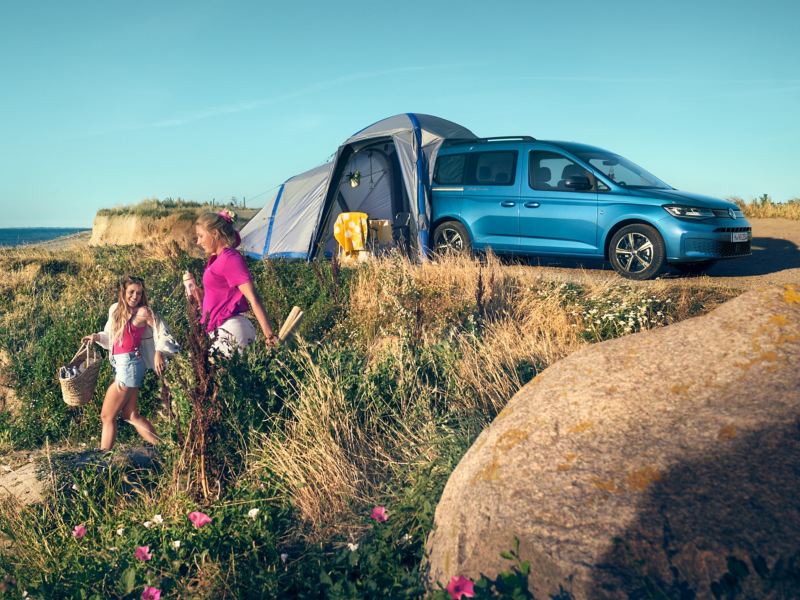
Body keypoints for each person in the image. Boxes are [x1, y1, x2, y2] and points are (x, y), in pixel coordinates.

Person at [83, 275, 180, 451]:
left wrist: (159, 352)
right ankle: (164, 449)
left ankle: (103, 457)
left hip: (130, 365)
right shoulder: (115, 310)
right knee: (131, 414)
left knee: (107, 416)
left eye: (139, 293)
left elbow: (162, 330)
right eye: (131, 292)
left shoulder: (143, 312)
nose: (135, 296)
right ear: (123, 292)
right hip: (125, 365)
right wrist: (96, 337)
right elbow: (111, 337)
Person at [192, 209, 278, 355]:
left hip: (231, 330)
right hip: (222, 330)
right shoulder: (217, 259)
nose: (198, 242)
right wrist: (203, 298)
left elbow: (253, 297)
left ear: (215, 233)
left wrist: (269, 335)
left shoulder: (230, 258)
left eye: (201, 236)